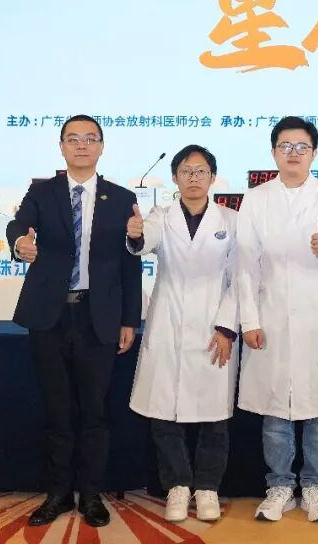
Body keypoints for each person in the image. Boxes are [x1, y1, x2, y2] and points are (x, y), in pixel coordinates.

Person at [7, 114, 142, 528]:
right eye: (73, 138)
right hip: (50, 316)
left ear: (102, 146)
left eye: (90, 138)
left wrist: (129, 319)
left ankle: (92, 495)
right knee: (57, 410)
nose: (82, 145)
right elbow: (18, 225)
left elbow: (129, 264)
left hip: (97, 317)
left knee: (95, 412)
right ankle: (58, 494)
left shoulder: (121, 198)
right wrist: (19, 242)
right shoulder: (41, 191)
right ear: (61, 146)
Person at [234, 116, 318, 523]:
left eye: (302, 146)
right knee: (275, 408)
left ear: (314, 153)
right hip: (270, 314)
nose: (293, 153)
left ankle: (316, 486)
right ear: (273, 152)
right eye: (285, 146)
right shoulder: (256, 199)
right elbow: (246, 264)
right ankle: (280, 486)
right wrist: (249, 319)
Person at [126, 144, 237, 523]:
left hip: (214, 325)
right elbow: (145, 242)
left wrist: (227, 326)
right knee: (164, 413)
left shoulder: (231, 220)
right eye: (186, 171)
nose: (193, 178)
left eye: (201, 171)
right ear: (175, 177)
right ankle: (177, 485)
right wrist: (136, 235)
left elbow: (239, 278)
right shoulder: (161, 215)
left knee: (215, 417)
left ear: (212, 177)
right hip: (169, 322)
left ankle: (207, 487)